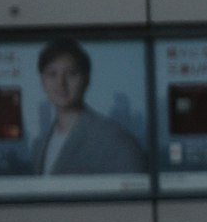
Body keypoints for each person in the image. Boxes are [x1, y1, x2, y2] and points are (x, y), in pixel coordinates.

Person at [31, 39, 146, 179]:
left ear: (86, 79)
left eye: (71, 73)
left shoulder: (115, 141)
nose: (61, 83)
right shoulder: (39, 144)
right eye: (52, 74)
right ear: (42, 81)